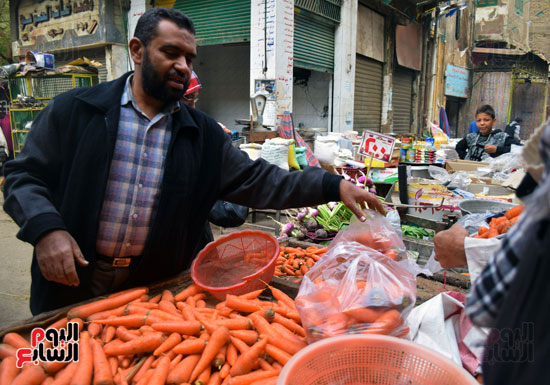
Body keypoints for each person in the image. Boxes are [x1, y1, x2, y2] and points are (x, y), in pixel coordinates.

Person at [2, 8, 383, 315]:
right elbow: (23, 176)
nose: (184, 66)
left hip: (153, 293)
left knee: (137, 372)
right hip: (69, 284)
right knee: (56, 367)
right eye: (171, 52)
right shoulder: (76, 111)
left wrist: (333, 185)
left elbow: (264, 181)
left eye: (189, 57)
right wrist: (46, 230)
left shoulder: (202, 135)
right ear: (137, 50)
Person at [180, 71, 249, 253]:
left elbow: (233, 213)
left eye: (195, 99)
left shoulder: (201, 131)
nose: (193, 107)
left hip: (196, 240)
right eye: (187, 98)